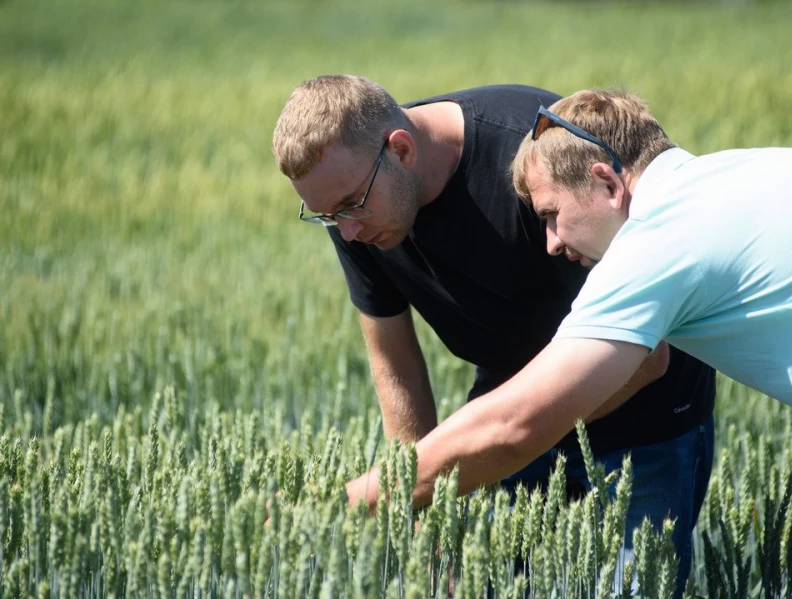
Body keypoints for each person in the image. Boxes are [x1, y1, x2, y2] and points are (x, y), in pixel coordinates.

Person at [344, 87, 792, 595]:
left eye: (552, 216)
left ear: (607, 182)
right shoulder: (728, 175)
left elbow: (516, 425)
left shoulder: (658, 242)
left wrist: (347, 503)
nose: (552, 244)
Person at [272, 76, 717, 595]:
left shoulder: (533, 163)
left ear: (401, 149)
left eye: (349, 206)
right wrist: (419, 501)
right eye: (326, 216)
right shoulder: (353, 198)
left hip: (645, 419)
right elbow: (395, 363)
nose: (346, 231)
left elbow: (648, 359)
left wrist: (504, 439)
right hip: (507, 416)